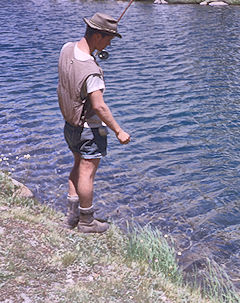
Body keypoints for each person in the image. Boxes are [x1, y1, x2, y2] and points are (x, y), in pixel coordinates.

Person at [57, 12, 131, 233]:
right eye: (108, 38)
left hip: (70, 126)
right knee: (87, 173)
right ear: (98, 36)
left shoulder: (66, 48)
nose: (109, 43)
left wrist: (92, 56)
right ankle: (87, 221)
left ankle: (72, 217)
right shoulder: (92, 73)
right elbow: (99, 107)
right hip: (88, 129)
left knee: (78, 166)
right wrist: (119, 131)